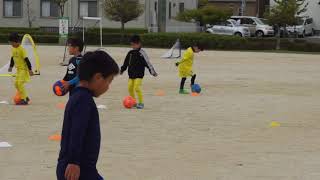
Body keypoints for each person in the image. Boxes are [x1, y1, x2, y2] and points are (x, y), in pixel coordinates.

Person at [57, 51, 119, 180]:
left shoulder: (79, 97)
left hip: (82, 168)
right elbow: (77, 131)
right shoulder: (83, 100)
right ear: (98, 78)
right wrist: (74, 162)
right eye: (109, 81)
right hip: (77, 171)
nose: (108, 87)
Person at [120, 35, 158, 109]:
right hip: (131, 75)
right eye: (132, 44)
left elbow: (148, 63)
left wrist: (152, 71)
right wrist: (122, 70)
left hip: (139, 75)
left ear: (139, 44)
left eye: (134, 44)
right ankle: (133, 102)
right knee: (130, 88)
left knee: (137, 87)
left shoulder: (142, 53)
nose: (133, 46)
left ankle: (141, 103)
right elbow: (126, 63)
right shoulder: (130, 53)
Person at [8, 32, 34, 105]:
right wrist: (10, 66)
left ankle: (24, 99)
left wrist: (30, 70)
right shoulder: (13, 49)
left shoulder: (22, 50)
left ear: (17, 42)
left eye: (12, 42)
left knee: (20, 83)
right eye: (10, 42)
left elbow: (27, 60)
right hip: (18, 70)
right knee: (16, 84)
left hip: (23, 70)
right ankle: (25, 96)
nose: (11, 44)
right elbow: (12, 58)